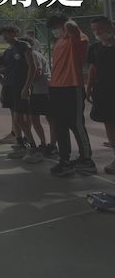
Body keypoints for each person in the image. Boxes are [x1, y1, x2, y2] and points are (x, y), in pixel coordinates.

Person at [46, 13, 96, 176]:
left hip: (72, 87)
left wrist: (66, 23)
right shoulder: (59, 42)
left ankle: (87, 160)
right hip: (56, 88)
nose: (55, 31)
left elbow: (72, 28)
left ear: (63, 25)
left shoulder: (78, 38)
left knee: (76, 125)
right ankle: (65, 161)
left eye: (56, 27)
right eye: (53, 29)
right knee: (60, 126)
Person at [0, 25, 36, 159]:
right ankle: (20, 145)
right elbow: (6, 69)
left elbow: (32, 67)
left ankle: (33, 147)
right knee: (15, 119)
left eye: (7, 34)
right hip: (10, 88)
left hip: (21, 87)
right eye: (3, 34)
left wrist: (27, 87)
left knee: (19, 119)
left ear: (15, 33)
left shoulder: (24, 46)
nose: (5, 37)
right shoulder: (7, 51)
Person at [87, 16, 115, 174]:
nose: (97, 32)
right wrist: (89, 87)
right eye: (94, 30)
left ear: (111, 27)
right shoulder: (94, 48)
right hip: (103, 92)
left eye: (100, 29)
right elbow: (93, 68)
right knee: (109, 124)